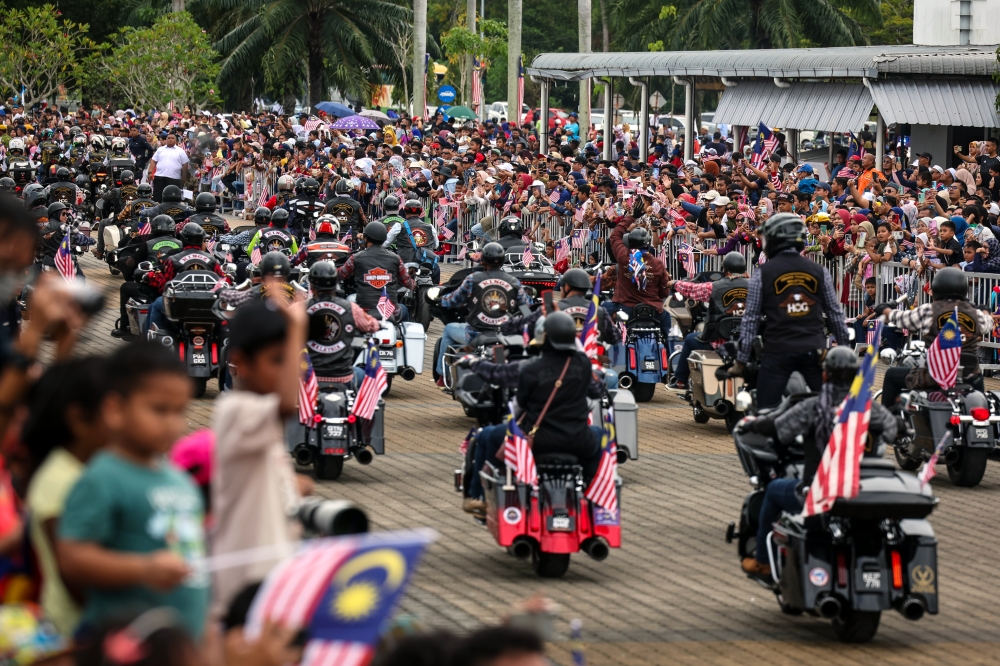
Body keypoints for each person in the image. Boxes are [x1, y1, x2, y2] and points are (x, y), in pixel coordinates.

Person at [57, 343, 209, 639]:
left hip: (185, 644)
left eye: (180, 411)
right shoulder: (103, 478)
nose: (172, 424)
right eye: (159, 409)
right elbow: (72, 557)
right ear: (115, 409)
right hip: (129, 646)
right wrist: (143, 569)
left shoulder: (181, 481)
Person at [739, 347, 897, 577]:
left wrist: (753, 424)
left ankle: (762, 561)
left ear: (824, 375)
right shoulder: (870, 407)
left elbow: (779, 429)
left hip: (821, 491)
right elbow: (894, 431)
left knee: (772, 490)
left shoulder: (814, 406)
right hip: (862, 490)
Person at [211, 296, 316, 618]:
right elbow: (287, 404)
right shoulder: (236, 409)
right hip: (244, 590)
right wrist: (296, 329)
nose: (290, 372)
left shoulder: (259, 418)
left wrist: (289, 486)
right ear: (240, 363)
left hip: (273, 585)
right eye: (278, 360)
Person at [23, 357, 109, 636]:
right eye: (116, 409)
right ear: (79, 420)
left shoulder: (93, 470)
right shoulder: (61, 481)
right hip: (76, 633)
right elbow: (76, 583)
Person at [734, 213, 851, 409]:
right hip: (814, 349)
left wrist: (742, 360)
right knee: (832, 409)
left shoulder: (762, 273)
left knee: (764, 411)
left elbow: (751, 319)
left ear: (773, 240)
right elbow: (835, 315)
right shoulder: (819, 271)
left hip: (777, 350)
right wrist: (845, 353)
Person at [875, 267, 995, 408]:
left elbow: (902, 319)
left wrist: (885, 309)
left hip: (933, 377)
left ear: (937, 288)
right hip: (969, 377)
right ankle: (980, 409)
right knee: (978, 382)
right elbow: (988, 323)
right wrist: (985, 310)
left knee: (891, 374)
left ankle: (887, 418)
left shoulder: (929, 310)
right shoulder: (974, 313)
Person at [431, 241, 530, 383]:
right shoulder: (513, 281)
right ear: (502, 260)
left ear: (483, 261)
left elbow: (454, 300)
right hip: (505, 335)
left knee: (448, 329)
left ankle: (442, 376)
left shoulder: (473, 279)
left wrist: (441, 299)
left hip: (475, 333)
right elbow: (526, 306)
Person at [666, 252, 748, 391]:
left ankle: (681, 382)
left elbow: (692, 289)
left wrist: (674, 283)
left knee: (690, 339)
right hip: (745, 343)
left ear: (725, 269)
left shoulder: (715, 287)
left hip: (716, 343)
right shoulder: (756, 286)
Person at [304, 262, 380, 386]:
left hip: (308, 377)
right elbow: (372, 325)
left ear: (311, 285)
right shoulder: (351, 308)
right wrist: (378, 324)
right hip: (343, 376)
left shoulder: (299, 308)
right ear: (335, 283)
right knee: (363, 374)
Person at [145, 223, 228, 336]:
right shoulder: (212, 260)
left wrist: (155, 276)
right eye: (204, 241)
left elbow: (163, 287)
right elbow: (223, 283)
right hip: (208, 303)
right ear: (200, 241)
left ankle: (157, 340)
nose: (205, 243)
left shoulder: (173, 259)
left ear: (183, 239)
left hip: (180, 304)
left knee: (155, 305)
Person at [111, 215, 183, 338]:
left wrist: (123, 262)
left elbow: (130, 263)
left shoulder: (148, 244)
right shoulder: (181, 244)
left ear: (153, 228)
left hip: (153, 287)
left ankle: (124, 327)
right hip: (176, 289)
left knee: (125, 287)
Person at [606, 216, 673, 341]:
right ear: (648, 243)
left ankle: (606, 344)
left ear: (629, 242)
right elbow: (664, 292)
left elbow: (614, 236)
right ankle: (667, 346)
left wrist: (632, 216)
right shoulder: (658, 264)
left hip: (626, 310)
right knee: (667, 327)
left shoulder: (623, 257)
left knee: (601, 307)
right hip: (653, 312)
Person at [338, 222, 415, 322]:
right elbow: (408, 283)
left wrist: (328, 269)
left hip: (364, 312)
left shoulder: (356, 258)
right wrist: (414, 282)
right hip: (391, 313)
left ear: (366, 238)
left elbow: (341, 274)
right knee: (404, 309)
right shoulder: (396, 258)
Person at [385, 198, 439, 280]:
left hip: (405, 263)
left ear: (405, 211)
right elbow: (436, 245)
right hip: (425, 263)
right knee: (437, 270)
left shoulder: (399, 226)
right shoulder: (430, 227)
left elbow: (386, 243)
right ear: (420, 212)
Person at [149, 132, 189, 202]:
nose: (170, 140)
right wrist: (150, 173)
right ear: (166, 139)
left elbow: (185, 164)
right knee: (157, 197)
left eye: (172, 138)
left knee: (172, 198)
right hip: (159, 177)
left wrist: (183, 177)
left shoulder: (180, 151)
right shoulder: (160, 149)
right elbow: (153, 161)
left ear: (176, 140)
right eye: (169, 138)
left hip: (174, 178)